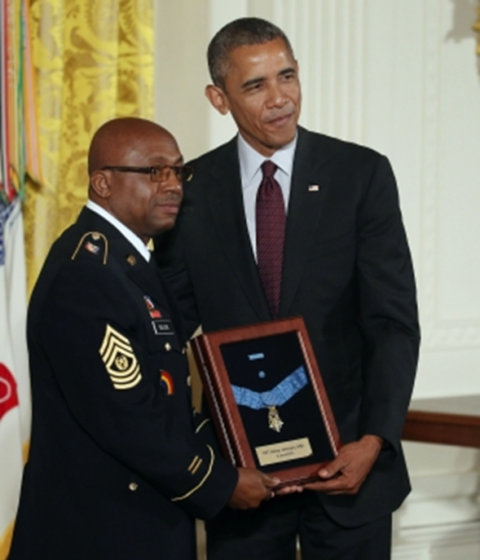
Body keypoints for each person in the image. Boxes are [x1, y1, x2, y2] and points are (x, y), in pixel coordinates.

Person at [154, 18, 420, 560]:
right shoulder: (192, 193)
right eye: (255, 86)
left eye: (288, 76)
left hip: (350, 470)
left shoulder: (360, 174)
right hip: (242, 480)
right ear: (219, 97)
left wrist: (376, 441)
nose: (280, 99)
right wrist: (203, 458)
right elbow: (170, 330)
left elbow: (392, 322)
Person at [9, 117, 277, 560]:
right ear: (103, 183)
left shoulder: (131, 265)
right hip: (99, 532)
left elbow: (168, 395)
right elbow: (130, 417)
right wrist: (219, 483)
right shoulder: (87, 275)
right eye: (154, 172)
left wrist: (240, 440)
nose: (173, 185)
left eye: (178, 171)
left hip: (140, 520)